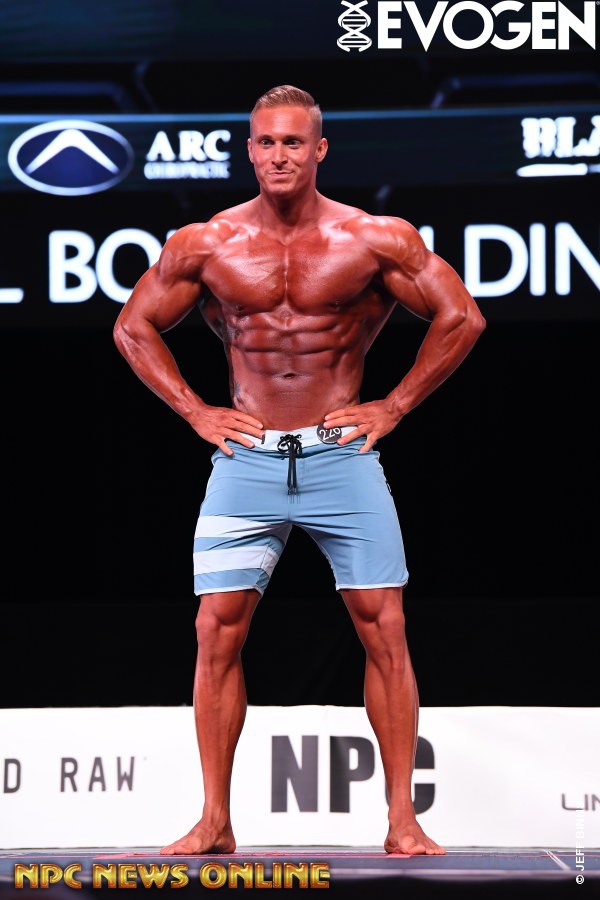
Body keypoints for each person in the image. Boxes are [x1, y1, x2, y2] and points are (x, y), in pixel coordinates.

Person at [113, 84, 486, 857]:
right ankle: (215, 821)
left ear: (319, 149)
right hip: (245, 460)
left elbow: (462, 317)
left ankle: (403, 822)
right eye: (265, 142)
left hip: (340, 456)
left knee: (385, 627)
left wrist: (395, 405)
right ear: (248, 150)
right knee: (215, 632)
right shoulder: (206, 242)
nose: (278, 155)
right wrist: (196, 412)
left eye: (293, 142)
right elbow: (132, 327)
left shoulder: (373, 238)